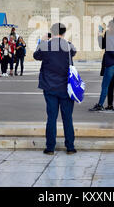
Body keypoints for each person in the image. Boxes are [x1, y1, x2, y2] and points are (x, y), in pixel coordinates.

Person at [33, 23, 77, 155]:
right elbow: (74, 52)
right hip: (66, 87)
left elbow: (36, 55)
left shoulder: (46, 45)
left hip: (50, 86)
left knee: (51, 117)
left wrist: (43, 40)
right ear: (64, 33)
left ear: (51, 32)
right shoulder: (68, 46)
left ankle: (50, 147)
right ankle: (70, 147)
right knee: (67, 117)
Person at [90, 16, 114, 113]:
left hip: (111, 63)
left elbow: (102, 45)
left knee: (105, 85)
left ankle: (100, 105)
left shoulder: (109, 34)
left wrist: (100, 33)